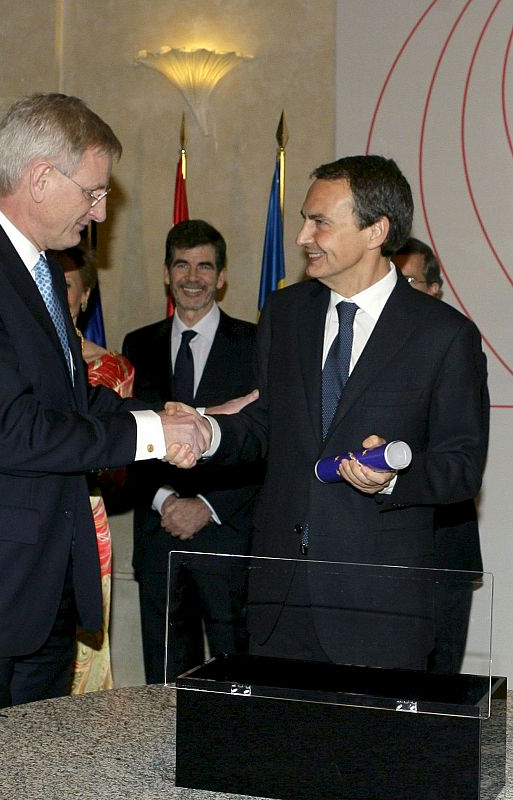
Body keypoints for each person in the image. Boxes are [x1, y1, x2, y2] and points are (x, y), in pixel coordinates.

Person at [0, 93, 210, 738]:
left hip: (38, 598)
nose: (101, 210)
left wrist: (178, 416)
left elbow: (75, 404)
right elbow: (9, 430)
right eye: (92, 191)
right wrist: (153, 433)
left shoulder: (42, 274)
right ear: (39, 179)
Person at [202, 155, 489, 671]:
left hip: (378, 609)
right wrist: (207, 433)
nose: (302, 237)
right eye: (304, 220)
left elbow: (461, 466)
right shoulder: (285, 315)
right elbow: (269, 426)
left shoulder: (443, 336)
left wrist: (392, 479)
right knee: (277, 751)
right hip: (278, 598)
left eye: (320, 222)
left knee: (367, 755)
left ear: (376, 230)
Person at [122, 220, 263, 683]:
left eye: (205, 266)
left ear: (221, 276)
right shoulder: (137, 346)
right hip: (158, 537)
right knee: (163, 683)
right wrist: (166, 501)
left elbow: (262, 444)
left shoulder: (255, 344)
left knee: (234, 678)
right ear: (166, 273)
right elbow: (128, 434)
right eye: (182, 264)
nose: (193, 276)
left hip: (226, 539)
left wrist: (206, 506)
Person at [394, 236, 483, 673]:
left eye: (411, 280)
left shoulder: (454, 343)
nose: (401, 292)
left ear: (434, 289)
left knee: (439, 690)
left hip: (445, 544)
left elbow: (460, 460)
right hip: (378, 553)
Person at [53, 244, 135, 692]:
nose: (58, 292)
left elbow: (118, 469)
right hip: (31, 514)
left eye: (68, 285)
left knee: (83, 648)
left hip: (88, 516)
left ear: (85, 296)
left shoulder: (113, 367)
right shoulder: (17, 355)